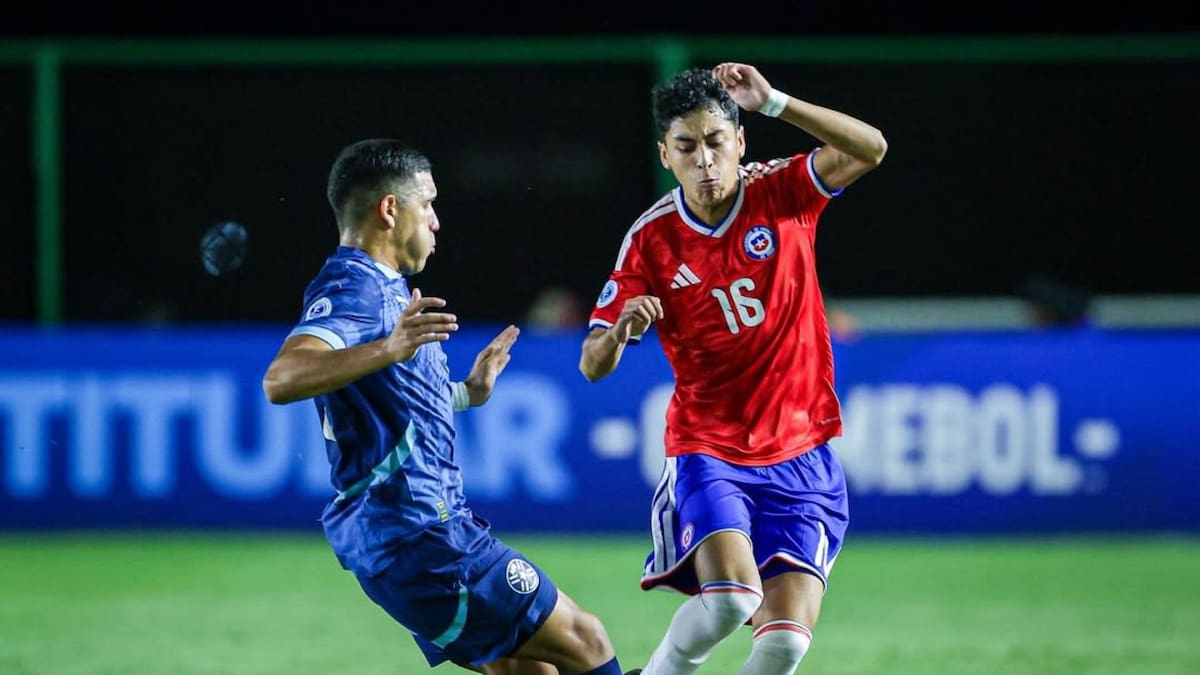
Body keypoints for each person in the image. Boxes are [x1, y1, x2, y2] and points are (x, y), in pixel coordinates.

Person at [263, 138, 629, 675]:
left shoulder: (383, 292)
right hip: (421, 537)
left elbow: (386, 401)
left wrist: (467, 393)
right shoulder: (355, 289)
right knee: (587, 640)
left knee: (530, 670)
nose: (435, 221)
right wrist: (390, 347)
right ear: (390, 209)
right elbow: (282, 378)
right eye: (428, 204)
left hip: (405, 543)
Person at [579, 63, 887, 675]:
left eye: (716, 142)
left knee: (785, 644)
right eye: (687, 147)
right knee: (730, 600)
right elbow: (592, 364)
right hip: (709, 447)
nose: (705, 160)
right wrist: (618, 332)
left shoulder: (783, 192)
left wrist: (775, 101)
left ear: (740, 142)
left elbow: (871, 148)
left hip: (803, 449)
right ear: (666, 154)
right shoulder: (651, 240)